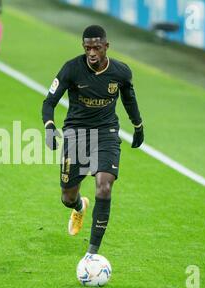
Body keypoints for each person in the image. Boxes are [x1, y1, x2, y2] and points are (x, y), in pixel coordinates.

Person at [42, 25, 144, 255]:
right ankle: (79, 206)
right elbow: (49, 102)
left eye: (96, 48)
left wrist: (138, 125)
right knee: (67, 197)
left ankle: (92, 253)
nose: (91, 53)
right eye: (87, 48)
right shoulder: (71, 69)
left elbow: (129, 99)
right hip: (76, 135)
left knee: (104, 186)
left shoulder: (120, 72)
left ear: (106, 47)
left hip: (106, 134)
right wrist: (49, 127)